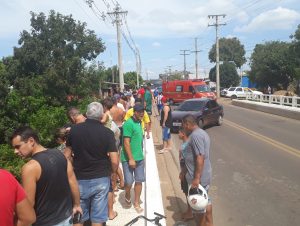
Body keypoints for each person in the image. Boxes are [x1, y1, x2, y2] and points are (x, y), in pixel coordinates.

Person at [10, 126, 82, 226]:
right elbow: (72, 181)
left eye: (18, 147)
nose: (15, 151)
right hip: (67, 217)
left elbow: (28, 205)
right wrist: (77, 205)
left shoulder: (30, 168)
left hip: (45, 222)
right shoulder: (60, 155)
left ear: (31, 141)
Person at [65, 102, 119, 226]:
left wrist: (69, 174)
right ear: (101, 115)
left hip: (79, 178)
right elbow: (114, 160)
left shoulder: (74, 131)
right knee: (97, 218)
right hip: (101, 178)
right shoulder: (107, 133)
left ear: (87, 114)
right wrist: (111, 173)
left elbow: (67, 156)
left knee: (79, 215)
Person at [181, 115, 214, 226]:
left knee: (198, 207)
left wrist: (196, 178)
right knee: (206, 201)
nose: (183, 128)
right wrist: (184, 171)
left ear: (187, 124)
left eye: (183, 125)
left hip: (198, 179)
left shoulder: (195, 136)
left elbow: (200, 157)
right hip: (203, 176)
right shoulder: (202, 133)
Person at [121, 103, 145, 214]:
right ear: (134, 112)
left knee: (139, 180)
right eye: (139, 111)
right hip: (128, 159)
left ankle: (136, 202)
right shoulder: (128, 124)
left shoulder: (140, 123)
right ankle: (127, 193)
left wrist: (140, 153)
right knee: (129, 182)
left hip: (140, 158)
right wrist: (131, 158)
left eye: (143, 111)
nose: (142, 113)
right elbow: (126, 142)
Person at [178, 127, 193, 221]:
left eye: (179, 132)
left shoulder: (186, 146)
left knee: (188, 193)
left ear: (183, 134)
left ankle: (190, 212)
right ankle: (189, 211)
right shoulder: (185, 144)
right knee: (186, 192)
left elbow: (187, 162)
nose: (178, 134)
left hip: (186, 174)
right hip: (185, 172)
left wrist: (182, 173)